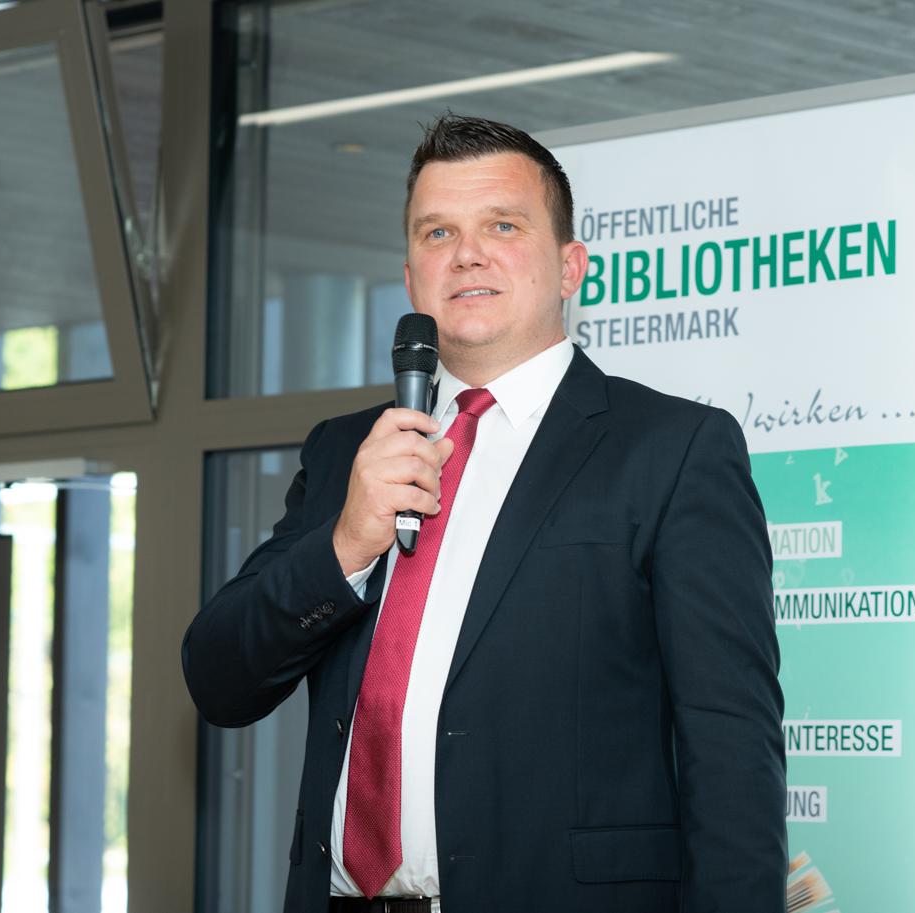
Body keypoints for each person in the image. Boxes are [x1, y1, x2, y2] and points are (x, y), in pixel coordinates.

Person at [183, 114, 785, 913]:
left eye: (502, 225)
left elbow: (731, 744)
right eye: (438, 232)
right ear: (411, 279)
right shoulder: (347, 452)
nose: (466, 253)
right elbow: (219, 680)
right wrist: (346, 543)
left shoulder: (671, 449)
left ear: (569, 266)